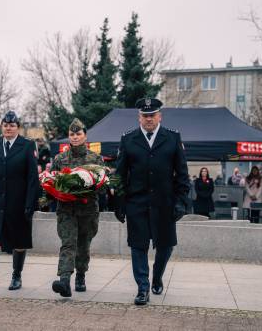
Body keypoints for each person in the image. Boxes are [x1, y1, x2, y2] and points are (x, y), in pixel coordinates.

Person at [115, 98, 190, 306]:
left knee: (165, 246)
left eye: (152, 115)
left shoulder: (173, 138)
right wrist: (119, 203)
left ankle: (157, 277)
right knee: (138, 246)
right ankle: (143, 287)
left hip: (165, 203)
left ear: (160, 116)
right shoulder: (128, 139)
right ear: (139, 117)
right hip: (136, 203)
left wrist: (181, 201)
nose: (148, 119)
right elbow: (119, 175)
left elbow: (182, 174)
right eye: (145, 115)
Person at [0, 111, 39, 296]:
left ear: (17, 127)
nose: (8, 128)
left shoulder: (27, 146)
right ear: (1, 126)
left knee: (19, 241)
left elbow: (32, 178)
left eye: (12, 125)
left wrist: (30, 204)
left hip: (18, 203)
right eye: (5, 124)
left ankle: (16, 275)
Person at [48, 118, 104, 298]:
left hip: (88, 211)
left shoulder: (95, 158)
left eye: (78, 134)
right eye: (72, 134)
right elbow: (52, 180)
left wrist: (89, 185)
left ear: (85, 136)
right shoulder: (60, 158)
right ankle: (64, 281)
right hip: (66, 209)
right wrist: (49, 194)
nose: (75, 137)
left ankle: (81, 275)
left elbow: (102, 186)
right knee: (68, 244)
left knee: (83, 245)